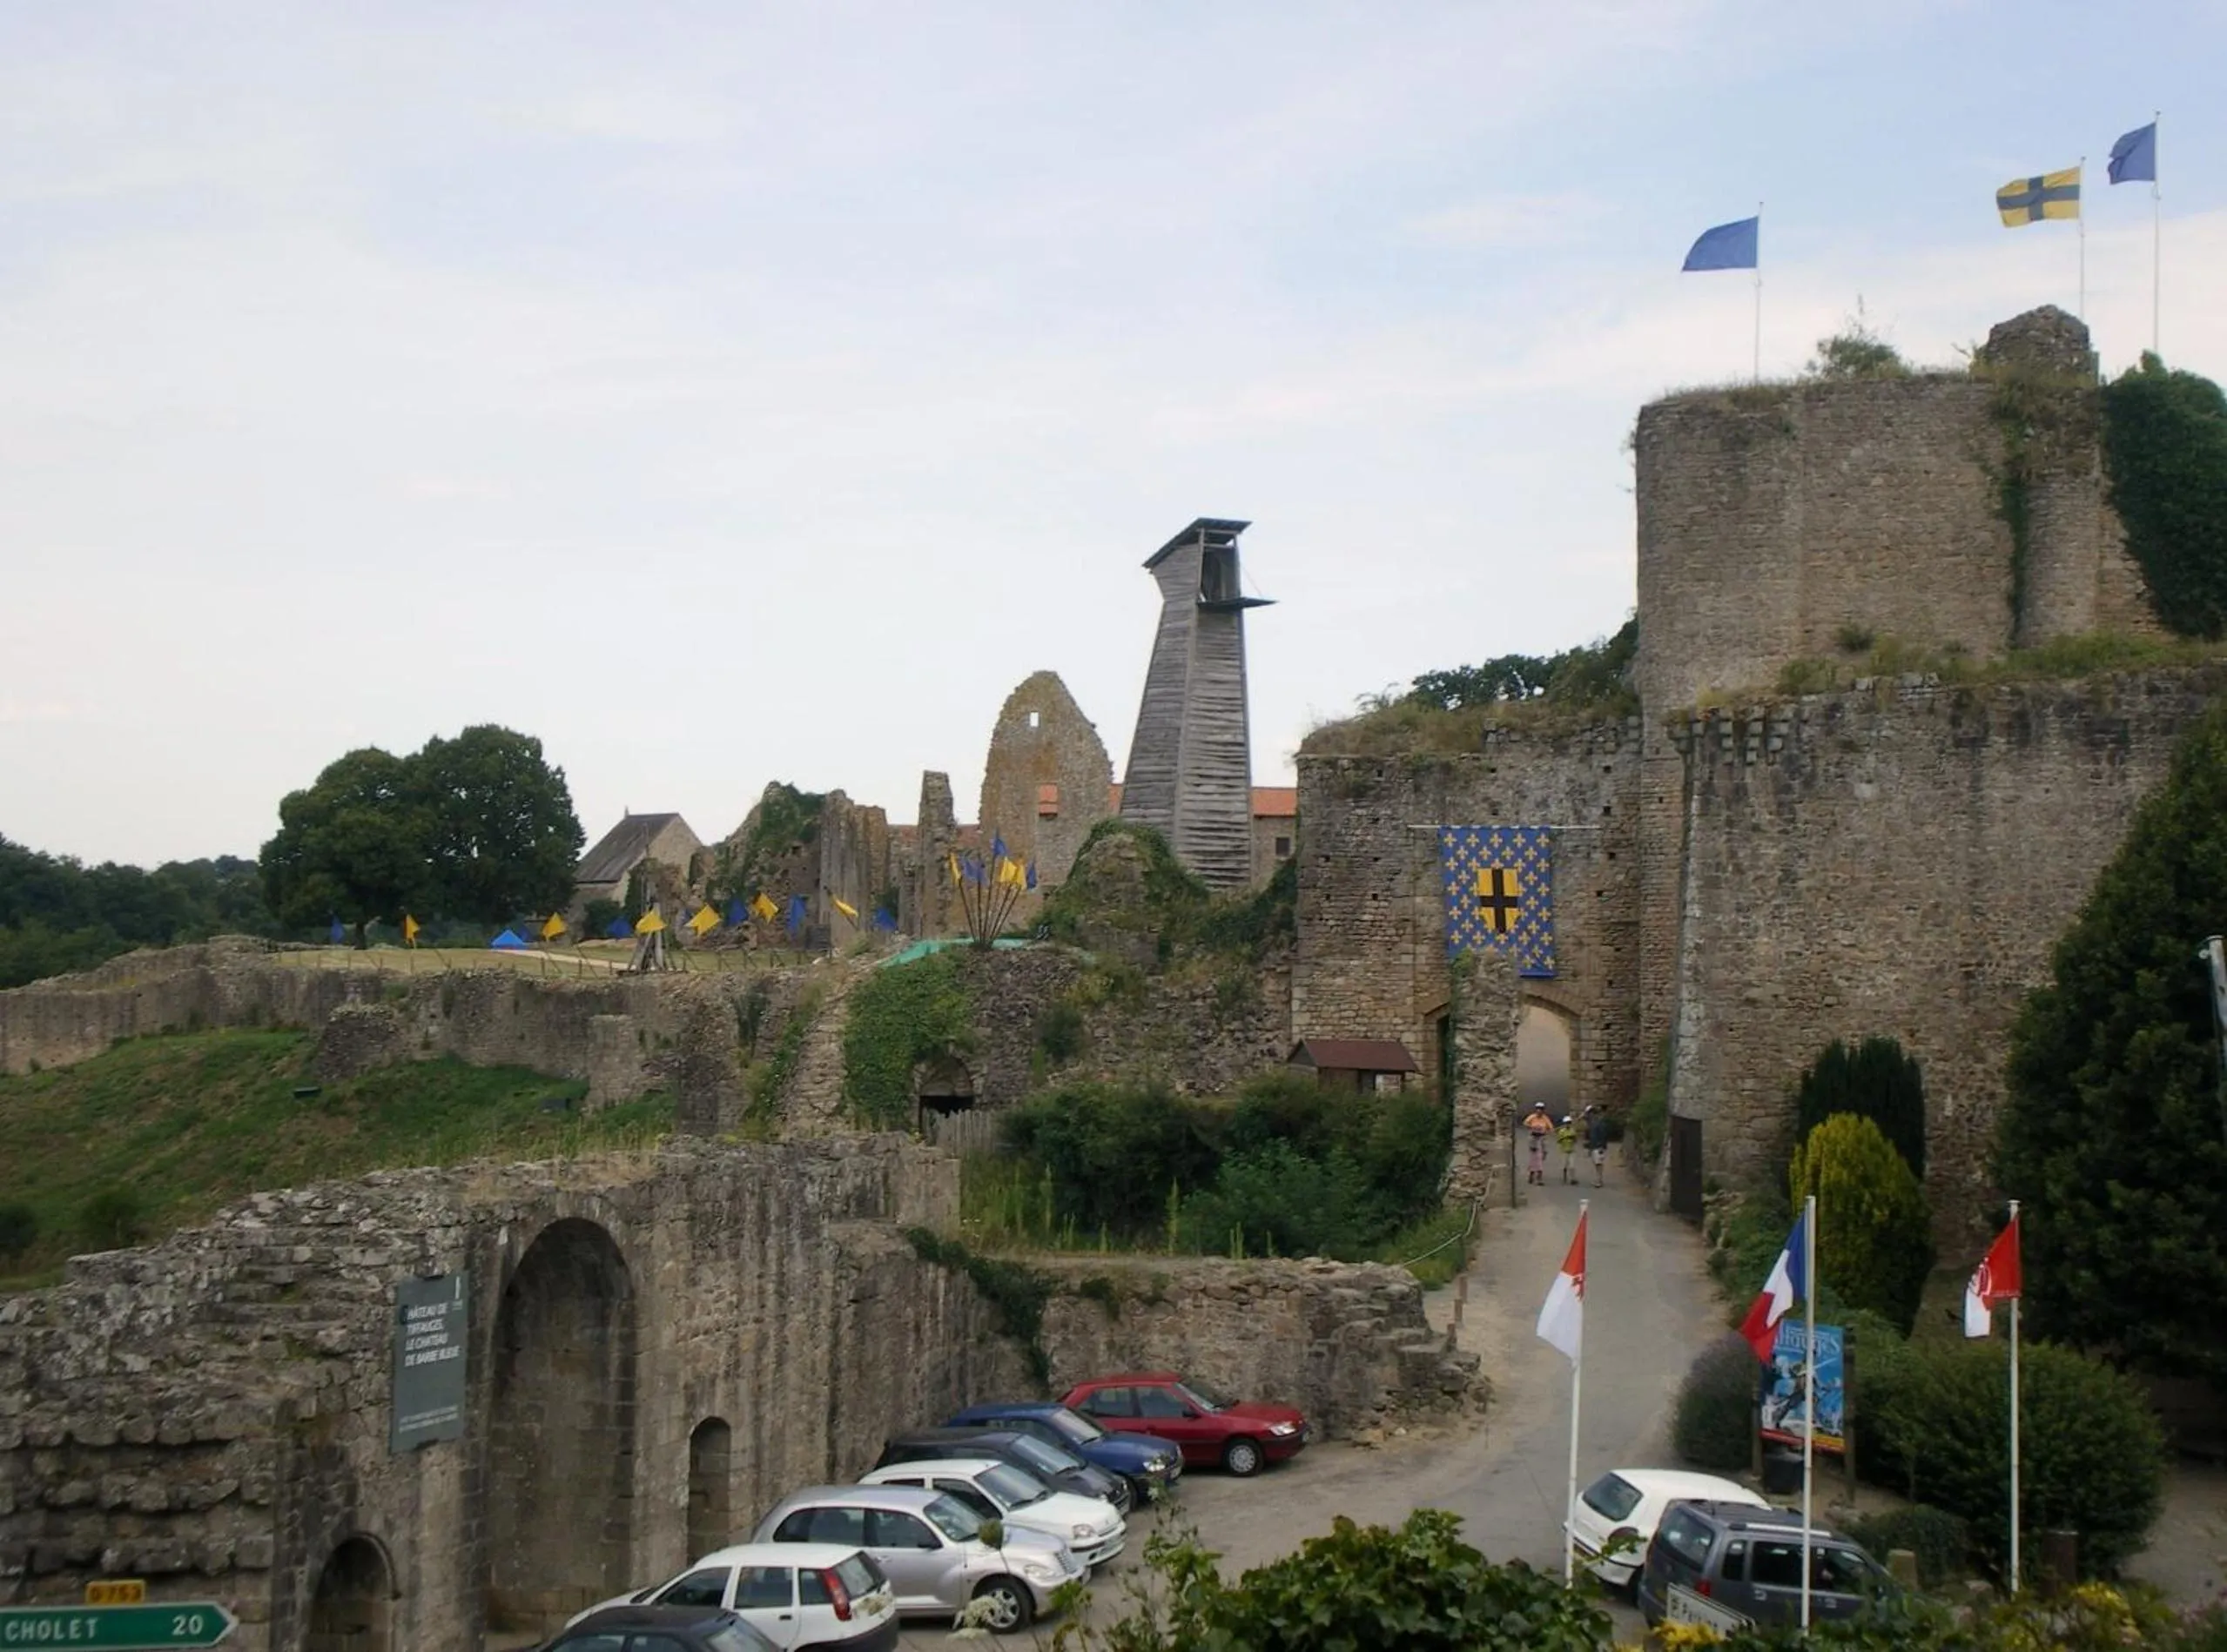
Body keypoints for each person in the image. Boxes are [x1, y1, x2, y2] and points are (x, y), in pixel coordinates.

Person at [1522, 1104, 1552, 1185]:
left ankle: (1538, 1176)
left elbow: (1551, 1128)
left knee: (1540, 1158)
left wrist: (1546, 1130)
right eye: (1538, 1109)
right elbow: (1525, 1123)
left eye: (1541, 1109)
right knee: (1534, 1157)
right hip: (1533, 1139)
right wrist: (1533, 1128)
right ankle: (1532, 1175)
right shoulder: (1532, 1117)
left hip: (1542, 1139)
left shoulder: (1545, 1119)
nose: (1539, 1111)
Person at [1584, 1105, 1611, 1187]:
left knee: (1599, 1163)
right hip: (1594, 1146)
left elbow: (1603, 1135)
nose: (1588, 1115)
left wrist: (1601, 1146)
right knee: (1596, 1163)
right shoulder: (1593, 1123)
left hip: (1598, 1146)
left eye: (1589, 1113)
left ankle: (1599, 1180)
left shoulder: (1599, 1123)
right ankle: (1598, 1179)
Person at [1554, 1114, 1578, 1184]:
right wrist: (1565, 1138)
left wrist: (1572, 1138)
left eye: (1569, 1123)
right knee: (1564, 1166)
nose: (1568, 1124)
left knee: (1572, 1166)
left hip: (1571, 1149)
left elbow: (1575, 1140)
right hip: (1564, 1150)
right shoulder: (1561, 1131)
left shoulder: (1573, 1131)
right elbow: (1558, 1140)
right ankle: (1564, 1177)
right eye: (1567, 1123)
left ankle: (1572, 1179)